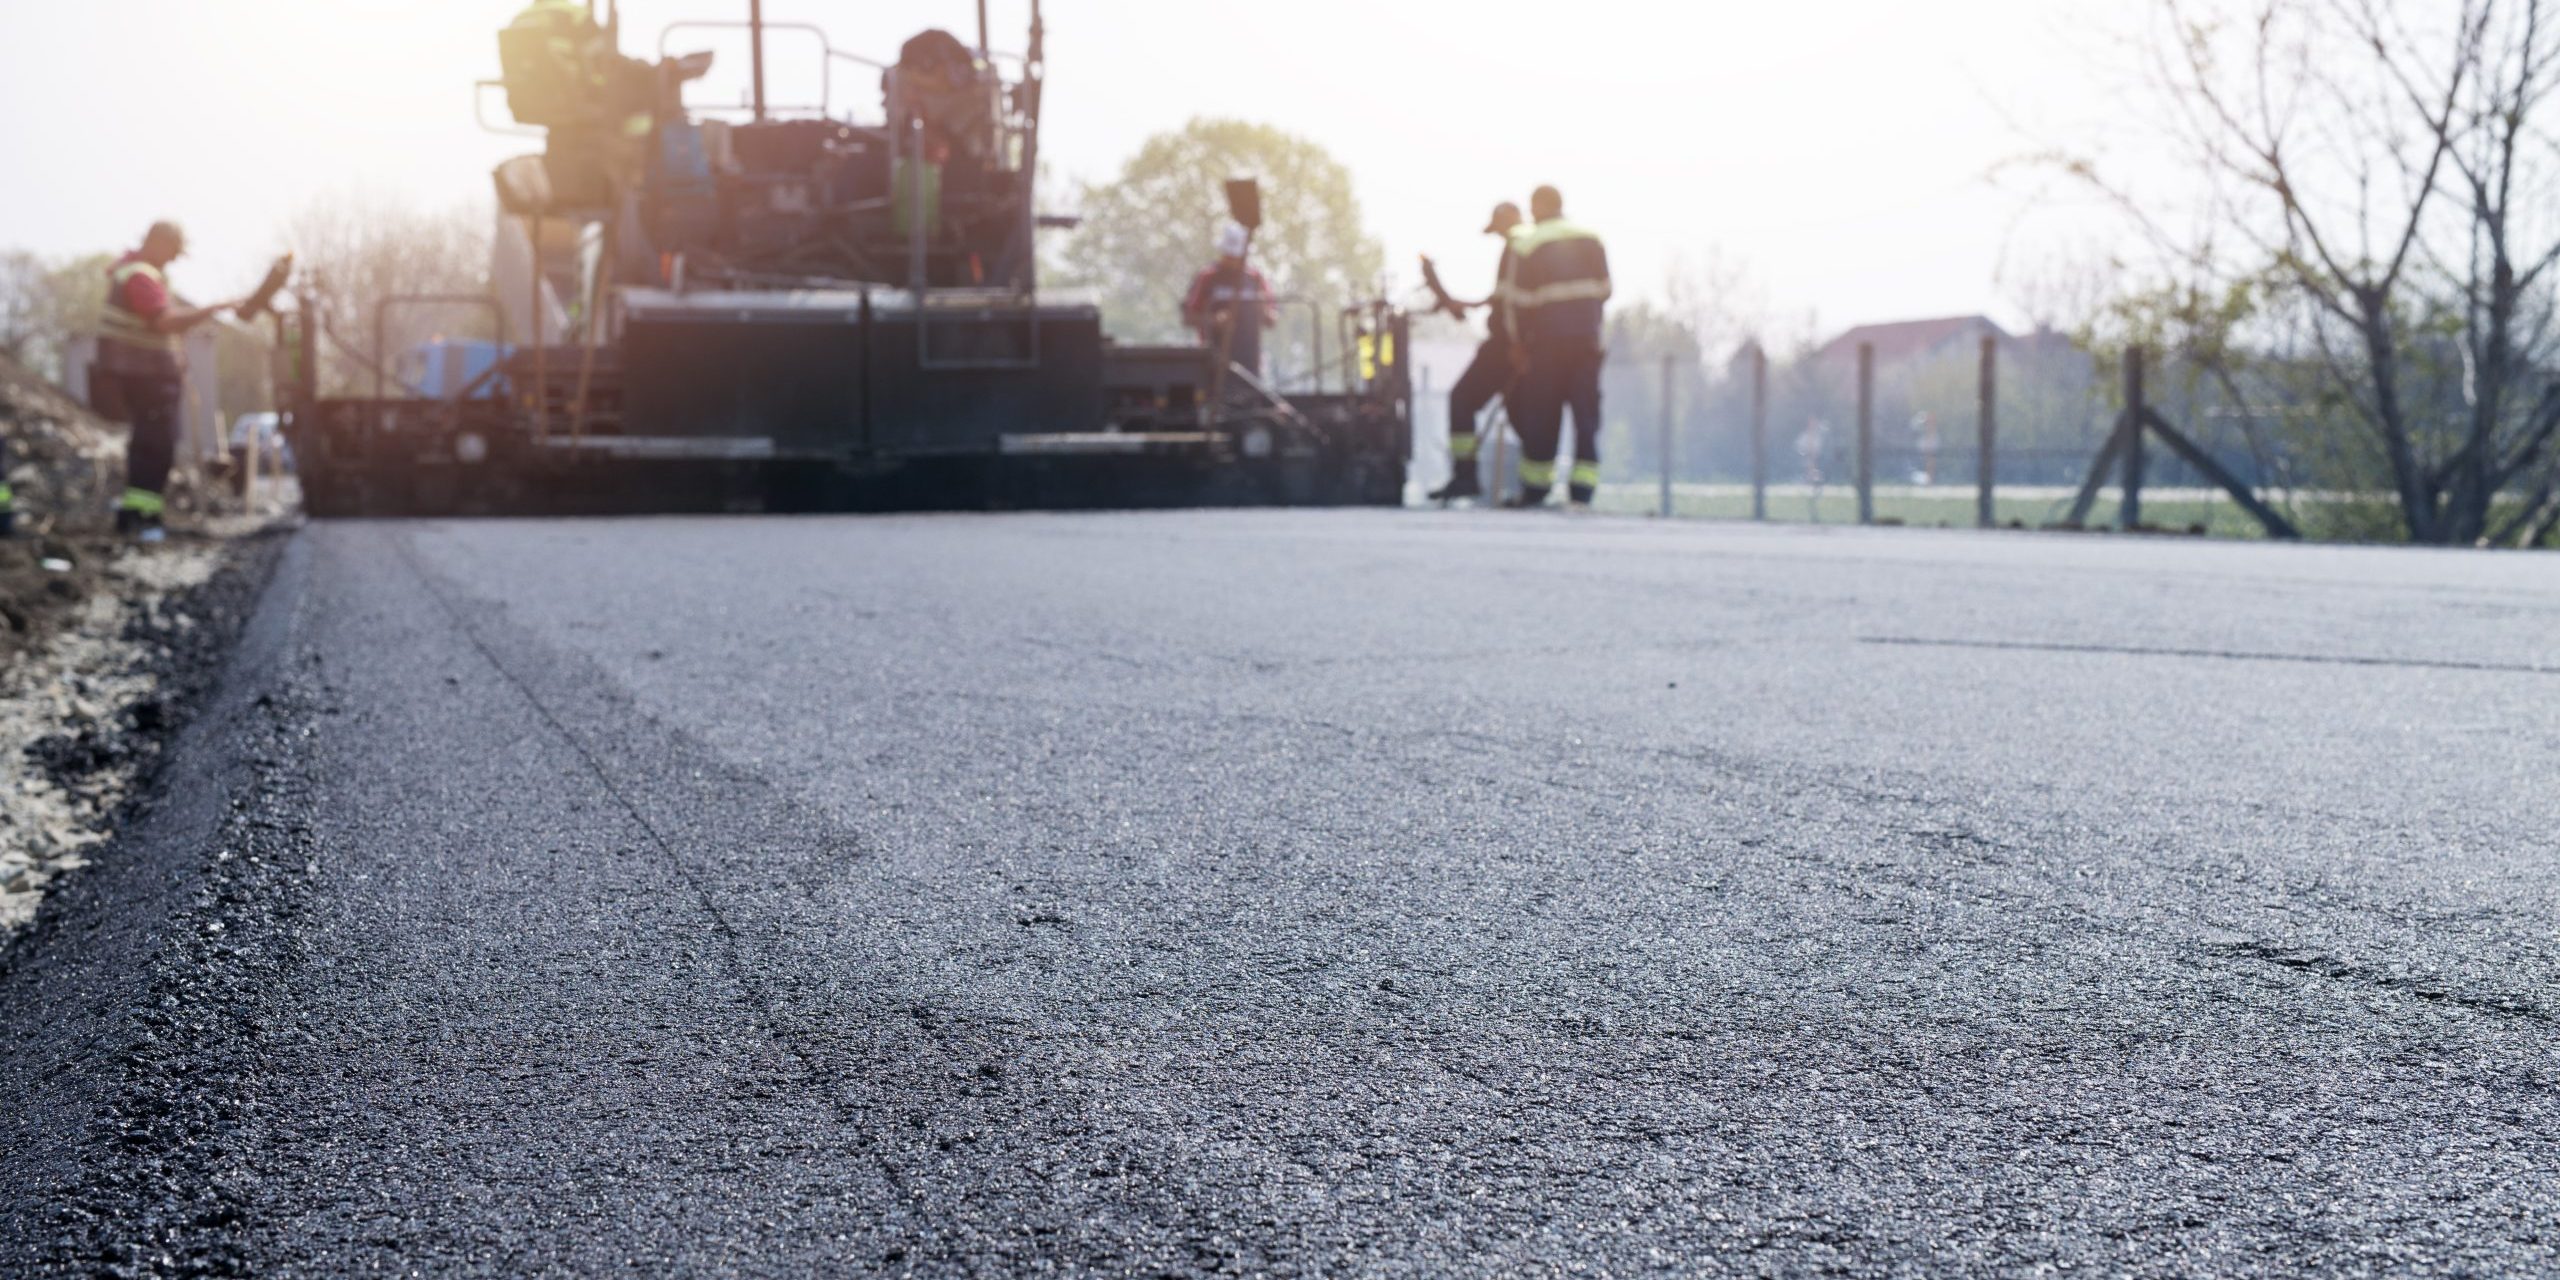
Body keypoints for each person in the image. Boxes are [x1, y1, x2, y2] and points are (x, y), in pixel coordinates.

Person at [92, 222, 239, 540]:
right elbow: (164, 322)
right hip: (146, 378)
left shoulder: (132, 271)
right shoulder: (141, 275)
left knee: (149, 444)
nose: (172, 260)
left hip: (144, 375)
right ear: (158, 243)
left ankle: (137, 515)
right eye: (173, 252)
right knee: (156, 446)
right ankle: (143, 519)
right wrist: (212, 309)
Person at [1502, 186, 1611, 508]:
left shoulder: (1527, 243)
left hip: (1547, 346)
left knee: (1542, 417)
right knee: (1586, 418)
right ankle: (1582, 491)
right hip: (1587, 343)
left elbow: (1516, 302)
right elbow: (1605, 289)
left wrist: (1518, 344)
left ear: (1536, 207)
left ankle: (1536, 489)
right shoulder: (1591, 238)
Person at [1420, 201, 1525, 503]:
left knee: (1463, 399)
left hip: (1506, 345)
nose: (1499, 235)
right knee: (1521, 413)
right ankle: (1531, 487)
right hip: (1514, 343)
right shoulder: (1520, 249)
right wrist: (1467, 305)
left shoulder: (1518, 247)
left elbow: (1510, 303)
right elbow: (1501, 298)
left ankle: (1466, 476)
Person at [1181, 223, 1278, 380]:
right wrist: (1213, 321)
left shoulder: (1255, 278)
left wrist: (1263, 311)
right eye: (1229, 255)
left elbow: (1272, 319)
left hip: (1250, 362)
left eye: (1236, 256)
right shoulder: (1207, 277)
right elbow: (1188, 317)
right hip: (1213, 360)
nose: (1232, 260)